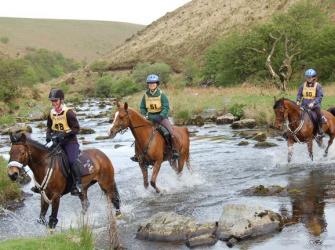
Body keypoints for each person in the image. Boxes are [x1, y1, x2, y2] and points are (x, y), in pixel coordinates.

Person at [32, 88, 82, 196]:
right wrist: (48, 135)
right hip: (57, 142)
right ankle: (40, 184)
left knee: (72, 161)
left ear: (61, 100)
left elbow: (77, 128)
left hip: (70, 142)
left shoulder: (68, 113)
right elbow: (49, 127)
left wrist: (64, 134)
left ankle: (77, 185)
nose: (53, 103)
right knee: (43, 157)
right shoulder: (51, 113)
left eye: (55, 100)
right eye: (52, 101)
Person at [132, 74, 180, 161]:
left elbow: (166, 107)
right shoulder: (145, 95)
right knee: (139, 134)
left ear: (157, 84)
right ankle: (137, 154)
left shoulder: (162, 95)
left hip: (161, 118)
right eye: (150, 83)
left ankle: (174, 151)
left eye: (153, 83)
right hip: (149, 118)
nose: (151, 85)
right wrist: (146, 115)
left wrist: (161, 116)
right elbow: (142, 107)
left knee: (170, 133)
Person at [296, 68, 327, 138]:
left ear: (314, 77)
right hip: (304, 104)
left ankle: (320, 130)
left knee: (318, 113)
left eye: (310, 77)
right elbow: (299, 94)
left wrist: (313, 103)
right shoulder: (302, 85)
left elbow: (319, 97)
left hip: (314, 105)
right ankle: (293, 129)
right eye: (307, 77)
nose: (309, 78)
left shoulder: (318, 86)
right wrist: (298, 100)